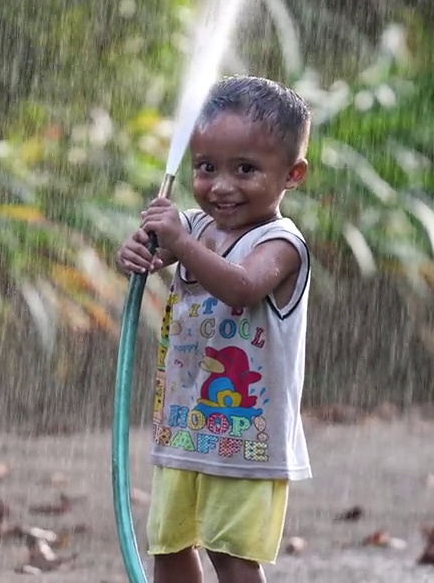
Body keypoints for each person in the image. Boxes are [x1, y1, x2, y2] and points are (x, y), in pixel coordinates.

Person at [116, 75, 314, 583]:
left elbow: (243, 287)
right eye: (206, 168)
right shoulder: (196, 228)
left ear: (292, 174)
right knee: (170, 546)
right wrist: (139, 251)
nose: (222, 186)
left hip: (247, 439)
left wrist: (179, 244)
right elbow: (158, 251)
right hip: (185, 429)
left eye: (245, 169)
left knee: (230, 555)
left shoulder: (280, 243)